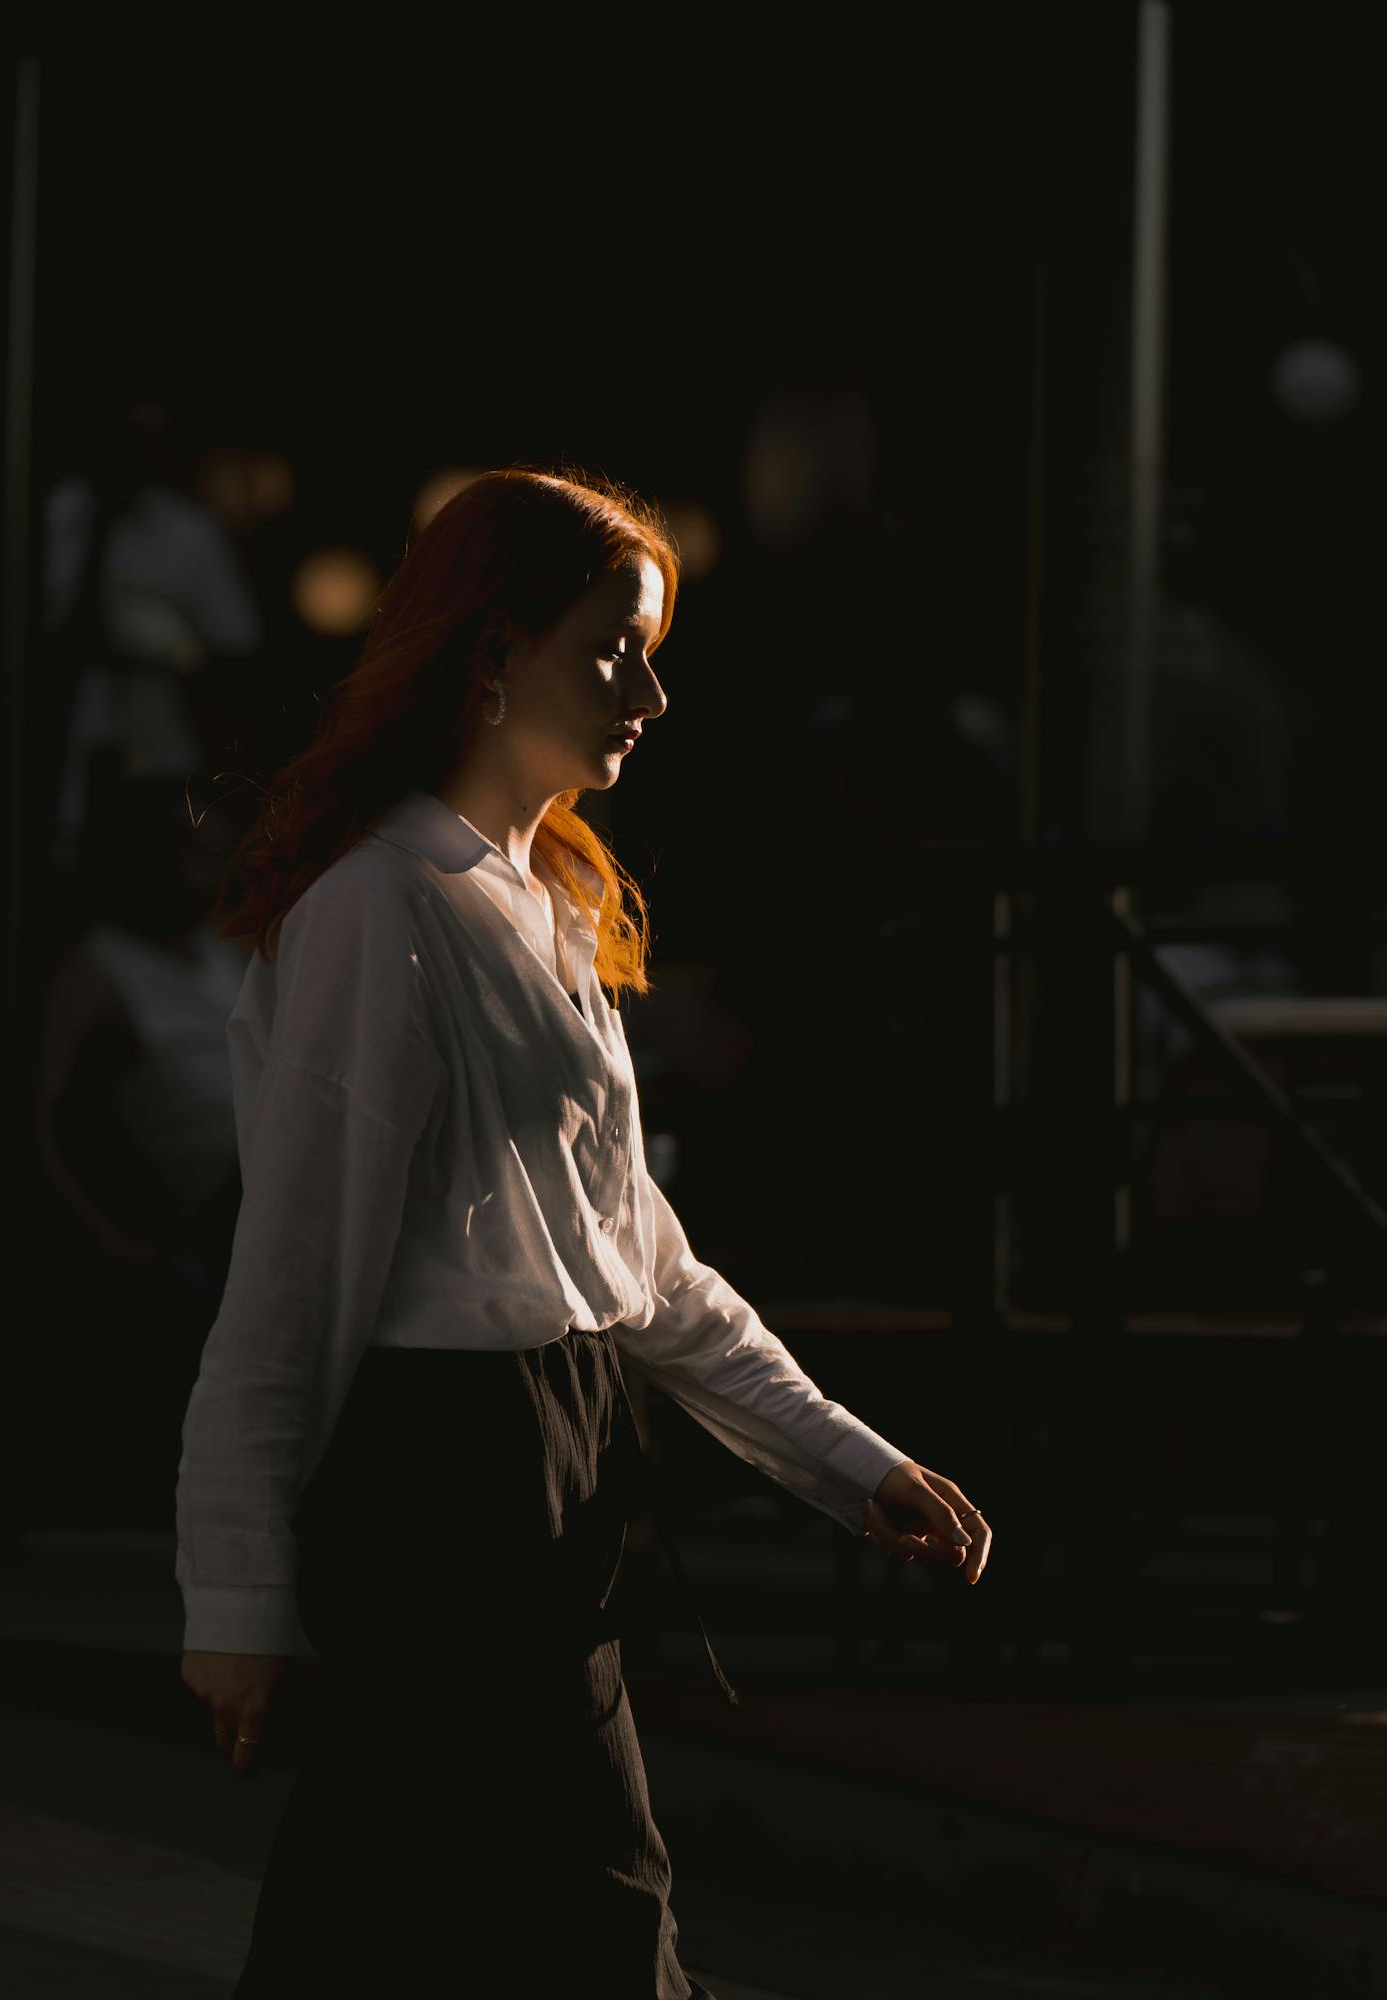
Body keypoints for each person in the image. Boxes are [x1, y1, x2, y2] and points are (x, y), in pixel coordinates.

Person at [174, 466, 993, 1999]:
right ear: (492, 651)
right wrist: (233, 1591)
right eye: (614, 647)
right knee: (575, 1922)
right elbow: (289, 1278)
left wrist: (846, 1460)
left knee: (425, 1926)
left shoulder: (538, 904)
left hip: (545, 1468)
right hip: (445, 1487)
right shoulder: (383, 910)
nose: (653, 694)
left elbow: (641, 1263)